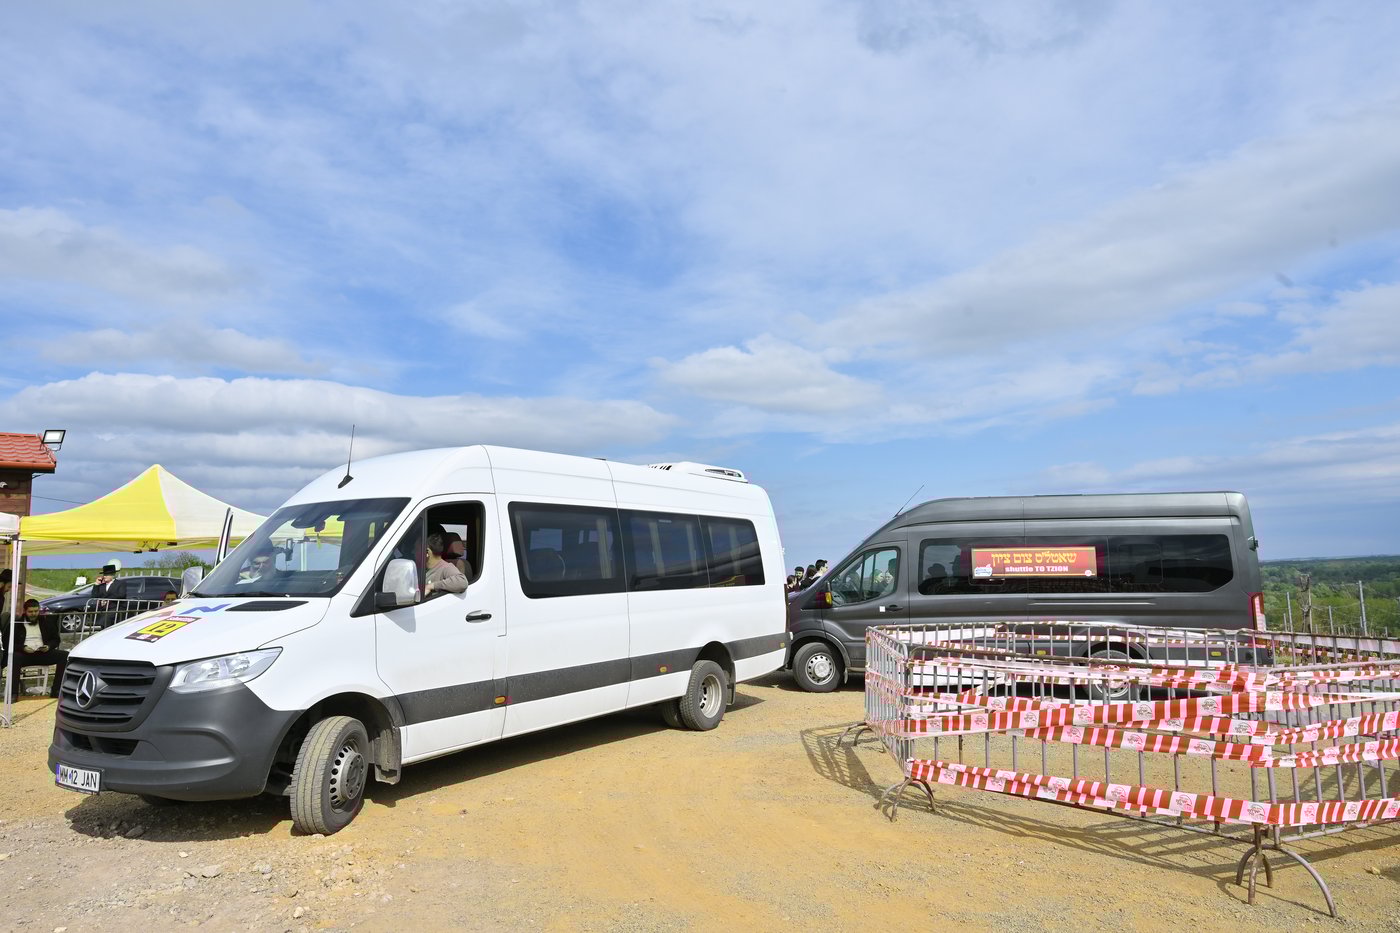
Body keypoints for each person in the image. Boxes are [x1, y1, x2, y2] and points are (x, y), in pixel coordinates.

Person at [4, 598, 67, 698]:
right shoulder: (17, 624)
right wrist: (22, 648)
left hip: (42, 653)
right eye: (30, 612)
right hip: (24, 655)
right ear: (25, 611)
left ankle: (56, 690)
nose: (33, 614)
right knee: (14, 657)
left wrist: (49, 646)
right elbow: (7, 643)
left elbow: (56, 639)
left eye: (36, 611)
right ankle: (13, 693)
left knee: (64, 656)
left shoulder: (46, 622)